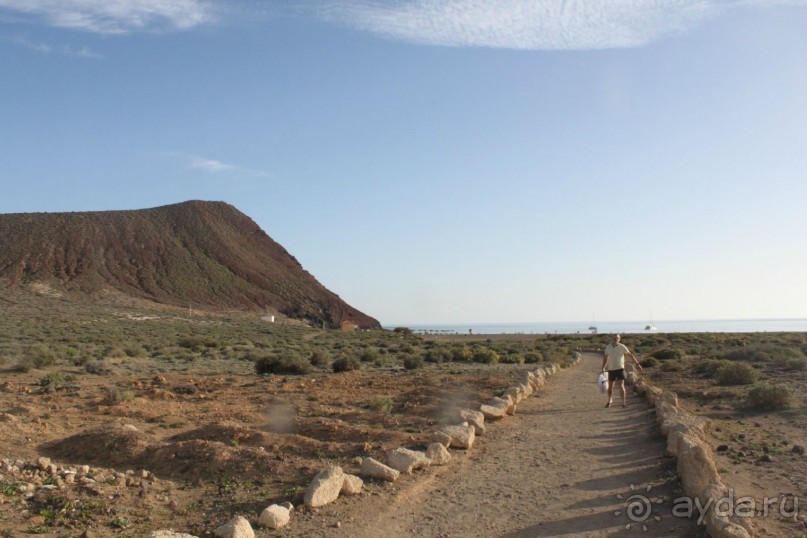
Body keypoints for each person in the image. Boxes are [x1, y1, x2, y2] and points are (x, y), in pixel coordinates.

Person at [601, 334, 643, 408]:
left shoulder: (622, 346)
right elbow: (605, 357)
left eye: (617, 338)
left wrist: (637, 364)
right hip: (611, 369)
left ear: (619, 339)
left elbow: (630, 355)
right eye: (614, 338)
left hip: (620, 369)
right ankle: (609, 401)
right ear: (612, 339)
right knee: (610, 387)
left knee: (621, 385)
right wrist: (603, 367)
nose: (615, 339)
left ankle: (623, 403)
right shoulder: (608, 347)